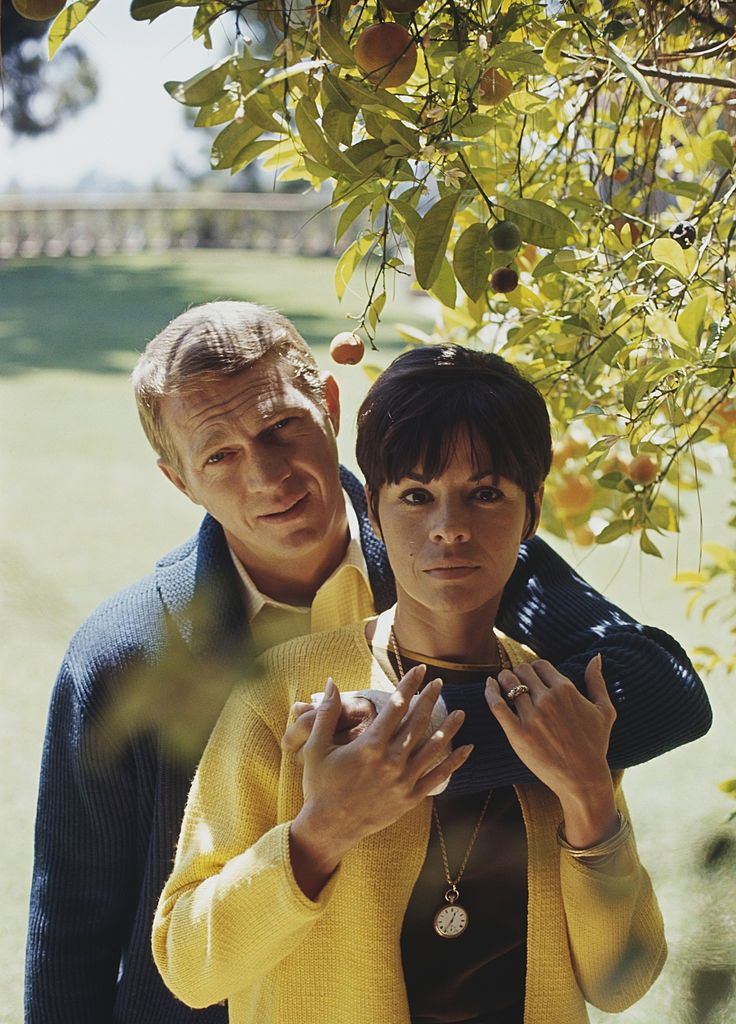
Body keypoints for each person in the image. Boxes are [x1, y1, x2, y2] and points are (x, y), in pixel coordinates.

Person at [26, 303, 707, 1024]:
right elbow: (73, 924)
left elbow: (664, 688)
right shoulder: (126, 656)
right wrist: (332, 816)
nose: (266, 475)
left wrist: (502, 758)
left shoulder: (452, 547)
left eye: (279, 426)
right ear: (180, 480)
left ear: (327, 406)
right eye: (218, 455)